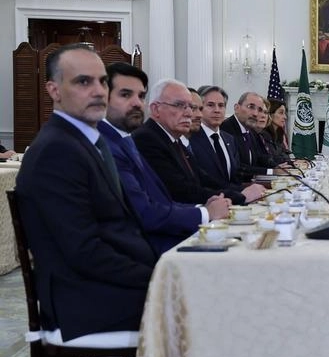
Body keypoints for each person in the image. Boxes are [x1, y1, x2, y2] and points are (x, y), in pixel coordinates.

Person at [14, 43, 157, 342]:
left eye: (102, 82)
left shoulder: (82, 142)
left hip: (105, 287)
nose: (98, 91)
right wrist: (159, 276)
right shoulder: (56, 150)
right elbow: (84, 252)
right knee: (208, 306)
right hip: (84, 303)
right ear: (54, 90)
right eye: (83, 81)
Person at [98, 63, 230, 253]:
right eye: (125, 94)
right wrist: (205, 213)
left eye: (141, 96)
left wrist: (203, 207)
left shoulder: (126, 141)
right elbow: (145, 212)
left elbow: (161, 199)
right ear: (103, 98)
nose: (137, 103)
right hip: (147, 250)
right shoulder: (110, 145)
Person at [133, 80, 265, 205]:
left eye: (191, 107)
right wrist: (239, 196)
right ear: (156, 109)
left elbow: (204, 179)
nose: (190, 113)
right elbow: (180, 190)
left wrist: (241, 191)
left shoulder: (173, 139)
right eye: (179, 105)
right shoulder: (147, 138)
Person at [189, 85, 245, 189]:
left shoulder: (230, 139)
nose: (217, 110)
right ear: (200, 108)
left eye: (221, 105)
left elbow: (235, 176)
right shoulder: (190, 138)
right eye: (210, 105)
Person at [221, 92, 286, 179]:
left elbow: (260, 157)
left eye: (259, 110)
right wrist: (271, 171)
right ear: (237, 108)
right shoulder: (226, 129)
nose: (255, 114)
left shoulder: (250, 131)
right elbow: (237, 167)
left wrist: (278, 167)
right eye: (251, 107)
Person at [261, 99, 292, 164]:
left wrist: (295, 162)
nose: (285, 117)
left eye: (285, 113)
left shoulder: (279, 134)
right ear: (270, 114)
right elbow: (270, 160)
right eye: (281, 113)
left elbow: (285, 157)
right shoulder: (263, 134)